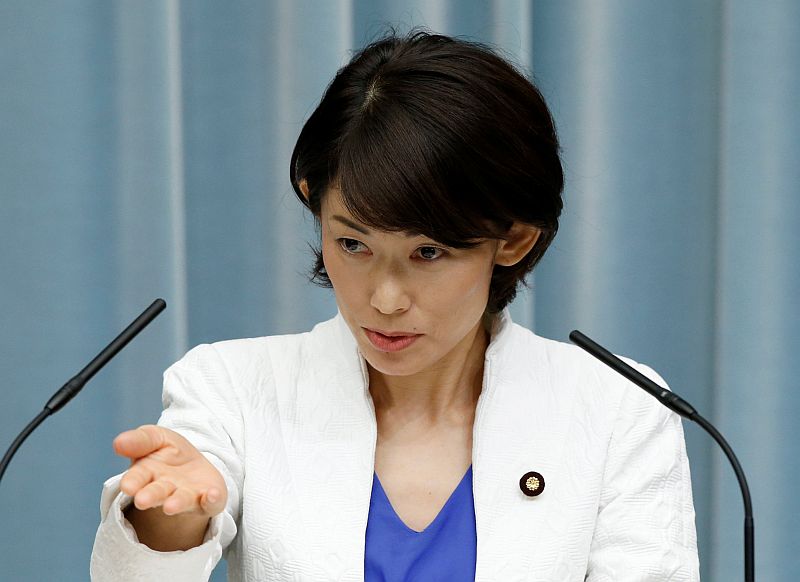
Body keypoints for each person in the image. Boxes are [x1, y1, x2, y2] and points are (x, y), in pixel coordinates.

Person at [90, 31, 700, 581]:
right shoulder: (234, 389)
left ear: (513, 239)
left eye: (428, 253)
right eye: (352, 243)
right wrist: (169, 521)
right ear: (312, 202)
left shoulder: (618, 408)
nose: (382, 299)